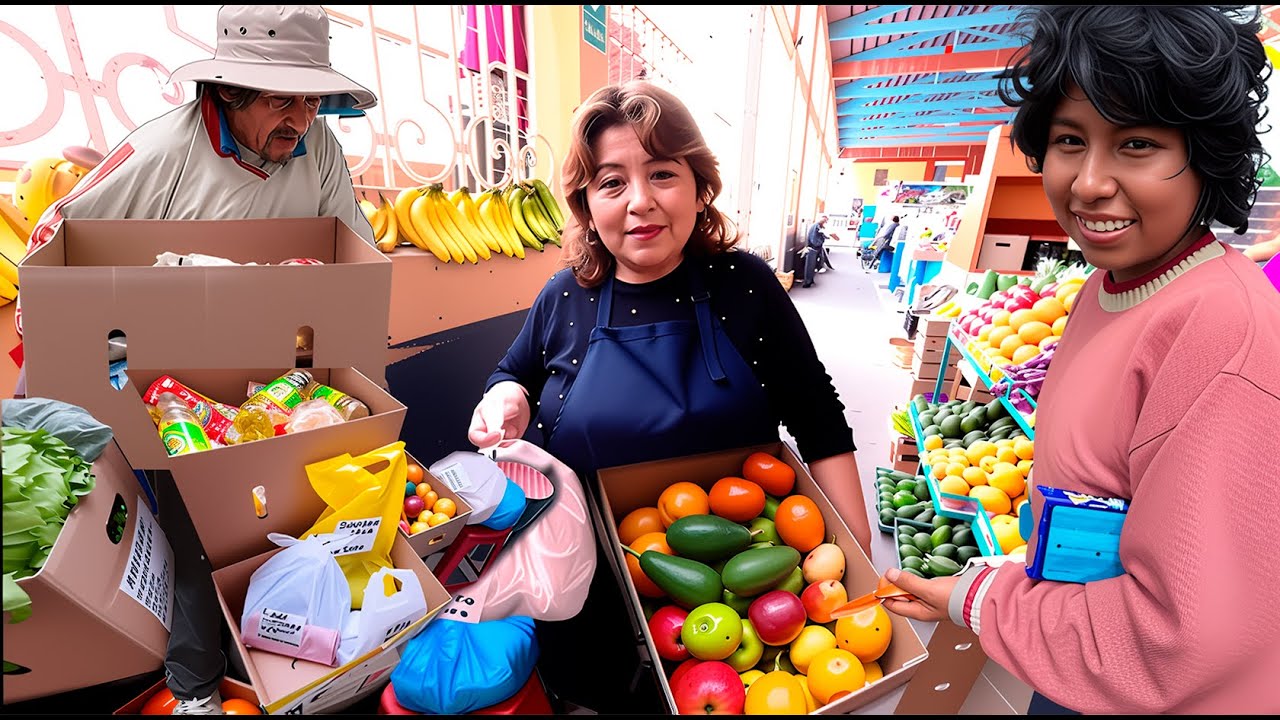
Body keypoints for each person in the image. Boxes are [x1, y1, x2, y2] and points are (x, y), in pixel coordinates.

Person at [878, 6, 1280, 715]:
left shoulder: (1224, 331)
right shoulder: (1109, 286)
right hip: (1083, 659)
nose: (1088, 182)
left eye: (1137, 145)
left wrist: (981, 599)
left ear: (1207, 152)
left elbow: (1183, 636)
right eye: (1070, 139)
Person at [16, 6, 378, 714]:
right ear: (229, 92)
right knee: (193, 523)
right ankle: (196, 689)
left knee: (297, 509)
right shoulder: (160, 153)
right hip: (152, 366)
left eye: (311, 99)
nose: (301, 120)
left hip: (276, 372)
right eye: (282, 99)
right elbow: (52, 245)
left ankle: (295, 659)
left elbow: (355, 255)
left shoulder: (320, 148)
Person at [466, 81, 870, 712]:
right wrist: (506, 398)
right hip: (591, 582)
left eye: (662, 173)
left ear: (699, 184)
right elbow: (509, 373)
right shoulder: (566, 296)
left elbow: (819, 419)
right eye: (612, 182)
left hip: (745, 583)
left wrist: (854, 553)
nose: (641, 202)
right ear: (586, 202)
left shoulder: (745, 287)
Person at [800, 214, 834, 287]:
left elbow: (824, 236)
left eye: (826, 220)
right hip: (813, 248)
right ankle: (807, 282)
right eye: (824, 220)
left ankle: (810, 280)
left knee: (813, 265)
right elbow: (814, 240)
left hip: (816, 248)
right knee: (810, 266)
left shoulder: (820, 227)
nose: (825, 221)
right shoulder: (816, 226)